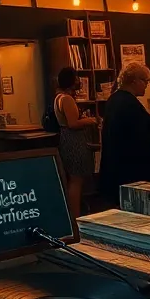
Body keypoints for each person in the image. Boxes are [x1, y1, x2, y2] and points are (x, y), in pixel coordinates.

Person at [98, 63, 150, 204]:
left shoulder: (115, 99)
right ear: (135, 81)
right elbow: (140, 139)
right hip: (131, 172)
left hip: (117, 169)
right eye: (146, 81)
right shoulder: (128, 104)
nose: (147, 85)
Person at [53, 66, 96, 218]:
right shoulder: (67, 99)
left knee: (73, 178)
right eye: (76, 78)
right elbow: (72, 123)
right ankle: (75, 216)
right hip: (74, 141)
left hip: (66, 140)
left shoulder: (58, 97)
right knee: (76, 180)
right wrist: (90, 120)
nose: (79, 81)